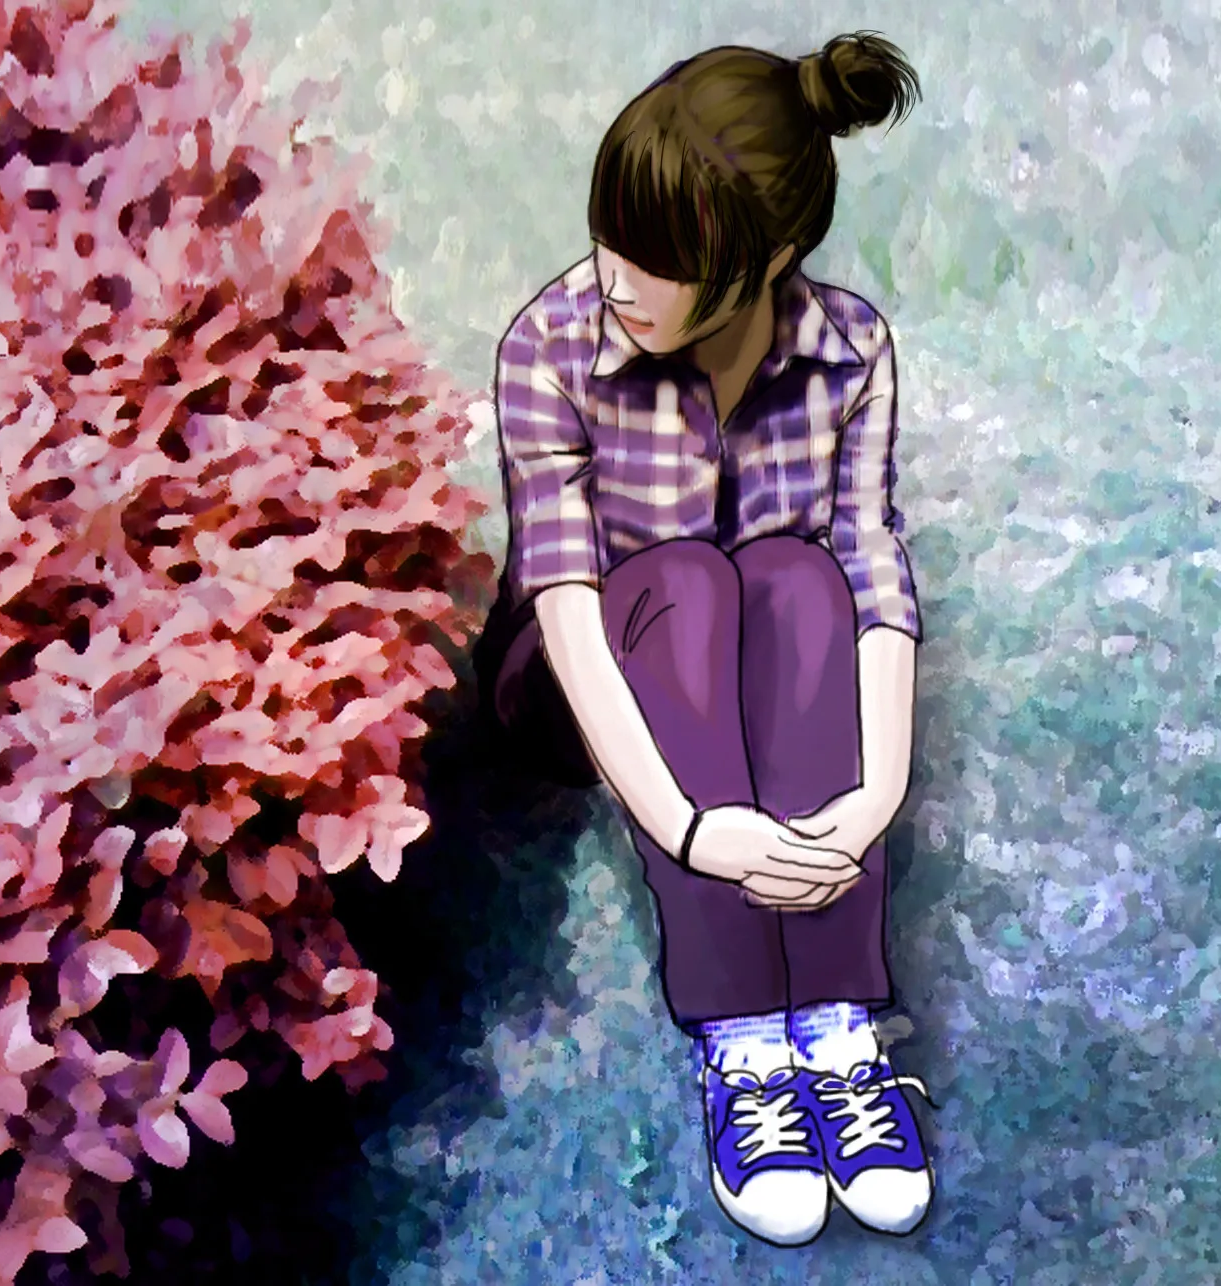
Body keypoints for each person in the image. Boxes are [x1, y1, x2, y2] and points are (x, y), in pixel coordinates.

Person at [471, 31, 938, 1248]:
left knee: (795, 574)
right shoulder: (552, 346)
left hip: (759, 649)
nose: (614, 279)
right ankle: (742, 1039)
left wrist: (870, 797)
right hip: (581, 674)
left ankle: (832, 1027)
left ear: (765, 260)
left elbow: (870, 561)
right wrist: (690, 827)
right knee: (684, 578)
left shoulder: (847, 352)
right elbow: (567, 605)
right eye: (609, 239)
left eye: (658, 261)